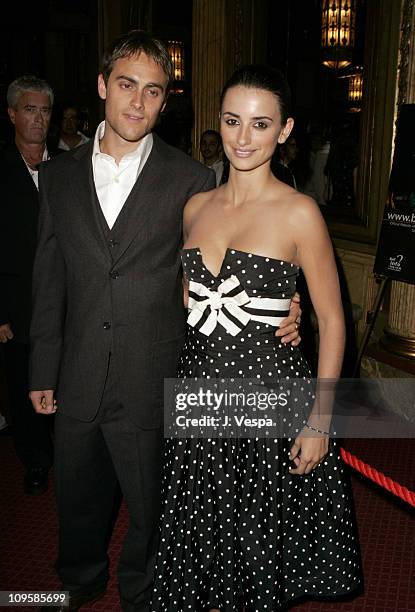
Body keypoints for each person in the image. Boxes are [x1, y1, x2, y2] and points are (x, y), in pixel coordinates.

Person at [28, 33, 300, 612]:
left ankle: (144, 591)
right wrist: (40, 367)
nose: (137, 103)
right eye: (126, 85)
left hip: (154, 375)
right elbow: (48, 281)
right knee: (75, 495)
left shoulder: (190, 182)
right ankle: (79, 580)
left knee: (153, 506)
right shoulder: (57, 178)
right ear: (103, 86)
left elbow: (216, 272)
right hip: (75, 372)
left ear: (164, 102)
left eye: (153, 92)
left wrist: (282, 306)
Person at [152, 65, 362, 611]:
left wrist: (320, 420)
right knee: (199, 536)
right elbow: (191, 299)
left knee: (253, 543)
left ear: (285, 130)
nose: (243, 139)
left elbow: (334, 320)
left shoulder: (299, 212)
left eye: (260, 124)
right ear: (217, 123)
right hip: (200, 392)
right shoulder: (196, 207)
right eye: (231, 121)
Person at [0, 75, 56, 495]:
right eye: (30, 109)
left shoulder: (70, 169)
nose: (38, 119)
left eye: (45, 110)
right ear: (12, 114)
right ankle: (35, 460)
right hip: (16, 305)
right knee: (23, 385)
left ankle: (64, 454)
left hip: (66, 305)